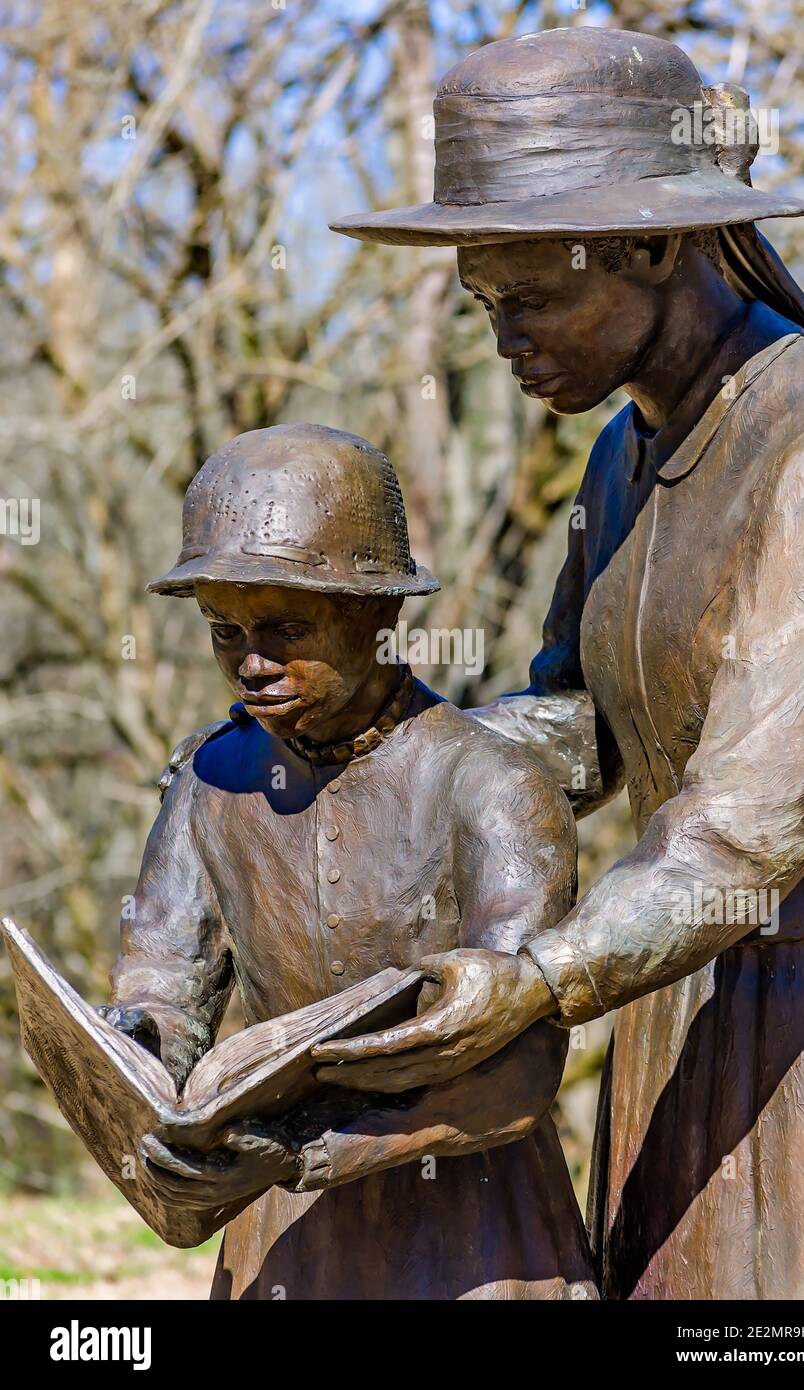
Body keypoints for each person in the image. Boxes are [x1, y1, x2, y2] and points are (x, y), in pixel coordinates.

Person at [324, 27, 804, 1299]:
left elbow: (743, 827)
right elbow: (578, 719)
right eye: (484, 303)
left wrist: (538, 979)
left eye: (533, 297)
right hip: (675, 997)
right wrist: (378, 762)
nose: (504, 339)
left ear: (659, 247)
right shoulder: (622, 458)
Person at [104, 421, 598, 1300]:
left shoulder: (492, 785)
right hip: (281, 1230)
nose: (250, 664)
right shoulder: (210, 776)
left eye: (285, 626)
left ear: (379, 615)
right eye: (224, 631)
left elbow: (520, 1070)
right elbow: (163, 982)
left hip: (475, 1235)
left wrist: (311, 1151)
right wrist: (137, 1057)